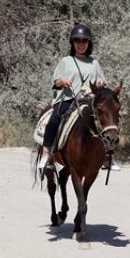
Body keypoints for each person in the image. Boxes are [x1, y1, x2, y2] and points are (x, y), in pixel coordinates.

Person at [38, 23, 106, 171]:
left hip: (89, 100)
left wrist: (101, 83)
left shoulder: (94, 63)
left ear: (89, 43)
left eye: (84, 41)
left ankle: (107, 156)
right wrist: (62, 81)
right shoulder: (65, 61)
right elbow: (55, 82)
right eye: (77, 41)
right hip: (69, 99)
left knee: (106, 120)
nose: (81, 44)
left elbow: (102, 81)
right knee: (54, 120)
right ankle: (46, 153)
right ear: (72, 43)